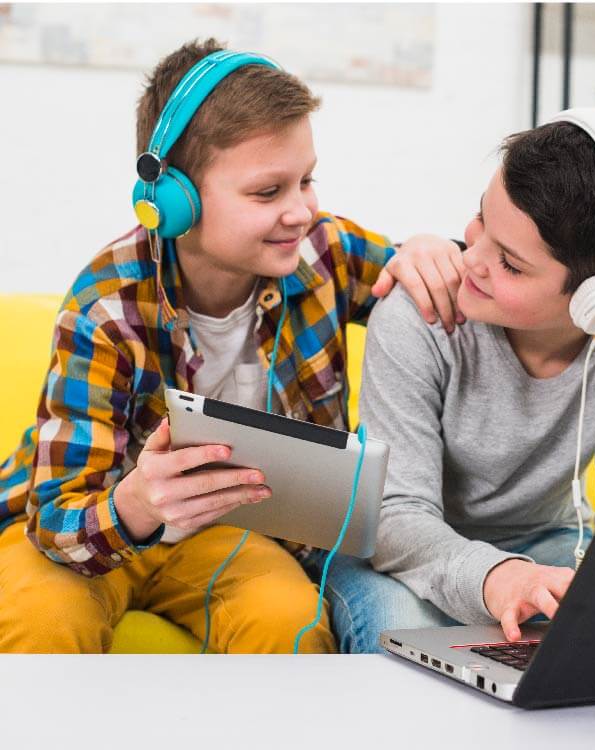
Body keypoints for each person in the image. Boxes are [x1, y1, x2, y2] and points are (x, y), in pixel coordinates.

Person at [0, 39, 463, 653]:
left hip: (224, 535)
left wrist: (433, 252)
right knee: (44, 623)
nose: (301, 212)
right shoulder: (105, 306)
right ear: (173, 202)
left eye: (307, 180)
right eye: (268, 193)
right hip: (99, 527)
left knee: (287, 626)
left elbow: (435, 283)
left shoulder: (325, 254)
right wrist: (139, 501)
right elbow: (56, 519)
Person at [303, 108, 595, 653]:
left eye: (510, 264)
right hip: (398, 550)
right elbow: (395, 516)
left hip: (548, 545)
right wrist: (500, 580)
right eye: (480, 220)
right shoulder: (419, 314)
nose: (473, 261)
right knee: (396, 631)